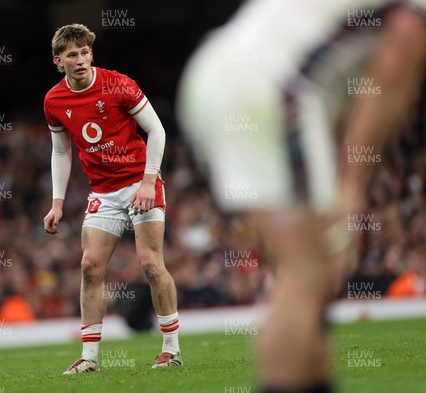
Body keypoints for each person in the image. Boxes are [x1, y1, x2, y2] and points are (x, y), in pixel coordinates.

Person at [177, 1, 426, 392]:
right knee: (308, 274)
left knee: (313, 272)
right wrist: (352, 186)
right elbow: (397, 63)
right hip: (268, 86)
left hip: (220, 75)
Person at [43, 23, 182, 374]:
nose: (80, 60)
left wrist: (149, 180)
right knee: (90, 266)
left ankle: (171, 349)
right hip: (103, 191)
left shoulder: (118, 83)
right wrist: (57, 202)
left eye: (85, 52)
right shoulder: (54, 101)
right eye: (72, 55)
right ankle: (89, 357)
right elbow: (61, 153)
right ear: (59, 61)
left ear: (92, 53)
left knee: (151, 265)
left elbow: (157, 129)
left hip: (140, 181)